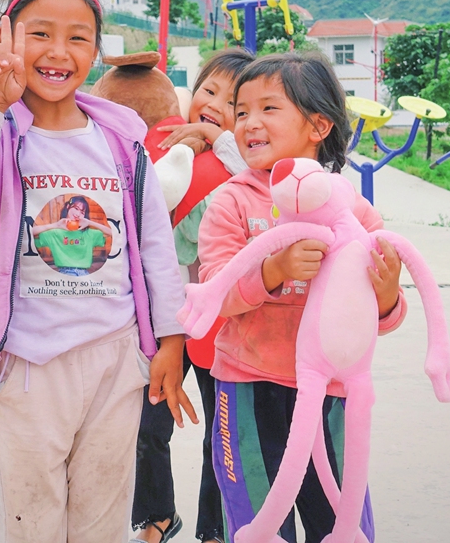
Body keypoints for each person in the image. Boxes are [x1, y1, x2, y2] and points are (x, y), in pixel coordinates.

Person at [0, 0, 197, 543]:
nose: (59, 52)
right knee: (34, 517)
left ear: (97, 51)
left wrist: (171, 339)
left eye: (78, 37)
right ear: (5, 35)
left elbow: (154, 244)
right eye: (40, 34)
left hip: (115, 357)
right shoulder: (2, 130)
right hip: (29, 363)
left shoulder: (120, 139)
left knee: (102, 516)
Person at [196, 53, 407, 543]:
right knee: (256, 524)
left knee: (341, 521)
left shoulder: (349, 207)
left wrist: (386, 289)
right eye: (241, 109)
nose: (248, 122)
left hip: (330, 396)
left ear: (318, 125)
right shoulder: (233, 199)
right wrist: (275, 268)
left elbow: (380, 318)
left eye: (268, 108)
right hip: (247, 387)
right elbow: (215, 292)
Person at [126, 49, 257, 543]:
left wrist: (214, 137)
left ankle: (215, 529)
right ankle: (157, 516)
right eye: (209, 91)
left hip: (221, 325)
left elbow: (248, 168)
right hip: (163, 317)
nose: (216, 104)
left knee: (220, 436)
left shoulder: (244, 155)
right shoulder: (162, 139)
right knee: (147, 425)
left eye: (234, 102)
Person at [31, 195, 113, 276]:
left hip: (85, 274)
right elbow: (30, 232)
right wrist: (56, 225)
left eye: (82, 212)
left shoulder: (89, 233)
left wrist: (90, 223)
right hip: (64, 273)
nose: (78, 214)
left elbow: (113, 233)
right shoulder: (55, 233)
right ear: (68, 206)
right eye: (76, 208)